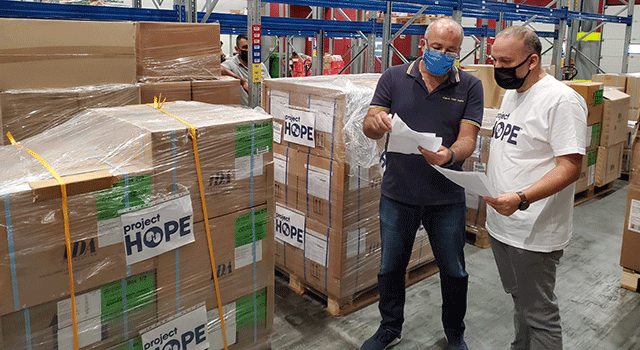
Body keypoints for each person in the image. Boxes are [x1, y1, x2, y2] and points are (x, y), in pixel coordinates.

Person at [362, 18, 483, 350]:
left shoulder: (470, 86)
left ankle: (454, 332)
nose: (443, 54)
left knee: (454, 271)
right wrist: (376, 122)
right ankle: (389, 327)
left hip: (446, 196)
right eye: (437, 47)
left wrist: (449, 154)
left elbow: (468, 139)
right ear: (423, 46)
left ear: (460, 52)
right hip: (398, 193)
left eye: (451, 50)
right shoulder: (394, 78)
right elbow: (369, 125)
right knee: (390, 267)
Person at [484, 26, 587, 350]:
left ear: (531, 61)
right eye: (494, 60)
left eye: (505, 62)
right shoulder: (513, 92)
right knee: (521, 302)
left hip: (534, 232)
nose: (498, 68)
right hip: (503, 225)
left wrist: (522, 197)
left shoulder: (561, 100)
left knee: (540, 314)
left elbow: (570, 166)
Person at [221, 33, 271, 106]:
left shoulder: (260, 66)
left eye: (251, 47)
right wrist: (242, 81)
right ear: (237, 49)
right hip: (243, 112)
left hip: (261, 110)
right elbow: (219, 69)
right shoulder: (231, 64)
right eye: (245, 47)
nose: (248, 50)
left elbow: (269, 86)